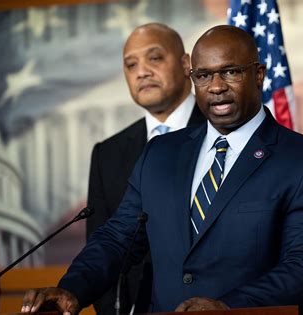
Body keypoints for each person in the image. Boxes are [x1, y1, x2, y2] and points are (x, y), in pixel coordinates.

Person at [21, 25, 303, 315]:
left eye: (230, 72)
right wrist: (72, 288)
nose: (216, 86)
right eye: (203, 76)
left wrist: (229, 306)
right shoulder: (160, 154)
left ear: (258, 74)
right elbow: (118, 239)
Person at [86, 23, 205, 314]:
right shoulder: (107, 154)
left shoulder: (225, 130)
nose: (142, 71)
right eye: (131, 64)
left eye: (154, 58)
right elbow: (102, 245)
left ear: (186, 63)